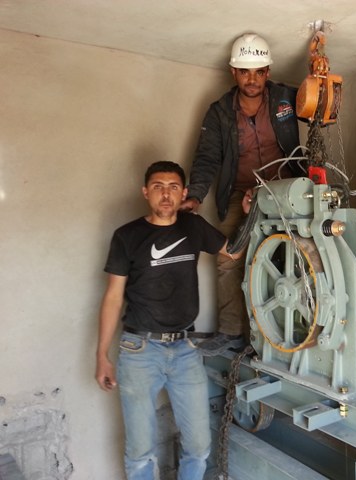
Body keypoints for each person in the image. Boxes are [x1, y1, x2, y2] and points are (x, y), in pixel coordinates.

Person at [95, 161, 242, 480]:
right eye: (158, 187)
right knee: (139, 452)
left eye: (173, 187)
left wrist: (247, 213)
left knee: (199, 446)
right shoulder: (127, 236)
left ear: (184, 193)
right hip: (139, 351)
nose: (166, 194)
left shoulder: (193, 227)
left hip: (186, 350)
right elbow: (113, 297)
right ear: (145, 192)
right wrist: (102, 355)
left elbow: (233, 253)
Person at [181, 32, 303, 350]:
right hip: (241, 193)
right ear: (233, 72)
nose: (252, 79)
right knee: (229, 257)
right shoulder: (220, 112)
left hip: (286, 191)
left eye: (259, 72)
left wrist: (320, 74)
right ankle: (231, 333)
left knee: (294, 256)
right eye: (245, 72)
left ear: (268, 72)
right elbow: (207, 157)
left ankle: (288, 333)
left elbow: (317, 106)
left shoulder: (286, 99)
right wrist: (194, 196)